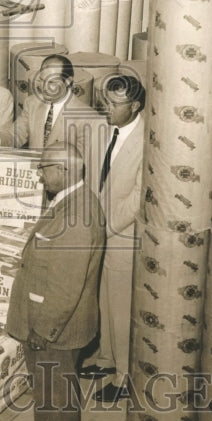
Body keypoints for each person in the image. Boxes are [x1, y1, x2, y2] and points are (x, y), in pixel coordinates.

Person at [6, 141, 106, 421]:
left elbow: (66, 288)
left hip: (55, 326)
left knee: (52, 391)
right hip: (59, 322)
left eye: (44, 168)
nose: (40, 174)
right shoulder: (71, 201)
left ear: (64, 171)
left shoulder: (75, 219)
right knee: (58, 388)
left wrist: (44, 330)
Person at [79, 72, 146, 403]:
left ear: (134, 106)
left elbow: (138, 199)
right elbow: (92, 177)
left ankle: (124, 375)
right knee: (101, 298)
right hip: (98, 229)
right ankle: (105, 359)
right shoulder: (103, 128)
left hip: (123, 236)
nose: (107, 109)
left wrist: (105, 227)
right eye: (105, 101)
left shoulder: (148, 141)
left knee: (120, 307)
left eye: (115, 104)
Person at [13, 54, 88, 152]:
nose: (44, 87)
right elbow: (17, 132)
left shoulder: (84, 116)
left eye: (51, 82)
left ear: (68, 81)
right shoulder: (31, 103)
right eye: (41, 80)